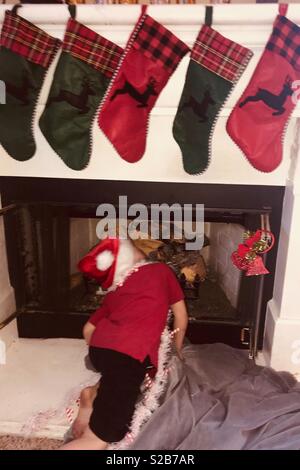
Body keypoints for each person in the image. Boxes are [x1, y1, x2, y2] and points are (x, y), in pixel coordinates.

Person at [60, 237, 188, 450]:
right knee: (104, 436)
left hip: (100, 349)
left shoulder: (117, 290)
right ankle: (94, 432)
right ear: (134, 254)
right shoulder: (161, 270)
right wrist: (176, 350)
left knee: (118, 375)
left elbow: (88, 330)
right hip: (128, 352)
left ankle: (92, 394)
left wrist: (107, 351)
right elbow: (181, 318)